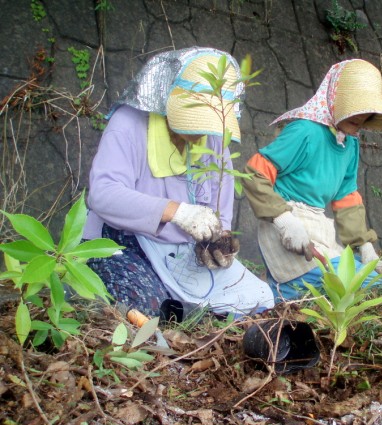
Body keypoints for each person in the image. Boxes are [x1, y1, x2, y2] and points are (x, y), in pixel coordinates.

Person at [83, 47, 275, 318]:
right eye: (196, 123)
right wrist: (177, 212)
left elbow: (220, 208)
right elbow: (103, 194)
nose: (202, 134)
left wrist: (217, 242)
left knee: (260, 298)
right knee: (148, 307)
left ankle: (190, 314)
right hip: (123, 241)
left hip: (182, 254)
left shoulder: (213, 138)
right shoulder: (129, 124)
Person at [241, 59, 382, 301]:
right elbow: (255, 172)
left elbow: (346, 196)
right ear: (335, 97)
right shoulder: (305, 131)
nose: (361, 115)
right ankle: (278, 295)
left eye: (367, 109)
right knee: (361, 286)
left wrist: (364, 245)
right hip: (286, 223)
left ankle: (281, 295)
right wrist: (283, 219)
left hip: (318, 226)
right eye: (356, 105)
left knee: (372, 284)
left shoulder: (350, 143)